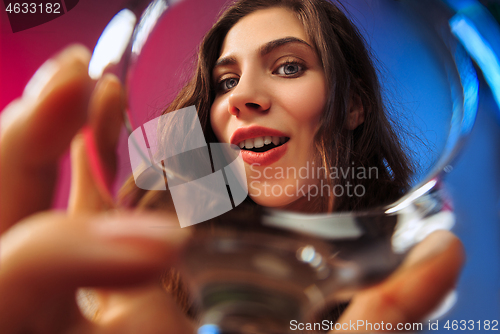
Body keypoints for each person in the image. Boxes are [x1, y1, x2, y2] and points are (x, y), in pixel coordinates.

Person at [0, 0, 464, 333]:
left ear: (353, 106)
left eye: (287, 67)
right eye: (226, 81)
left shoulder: (398, 276)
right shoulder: (146, 273)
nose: (240, 98)